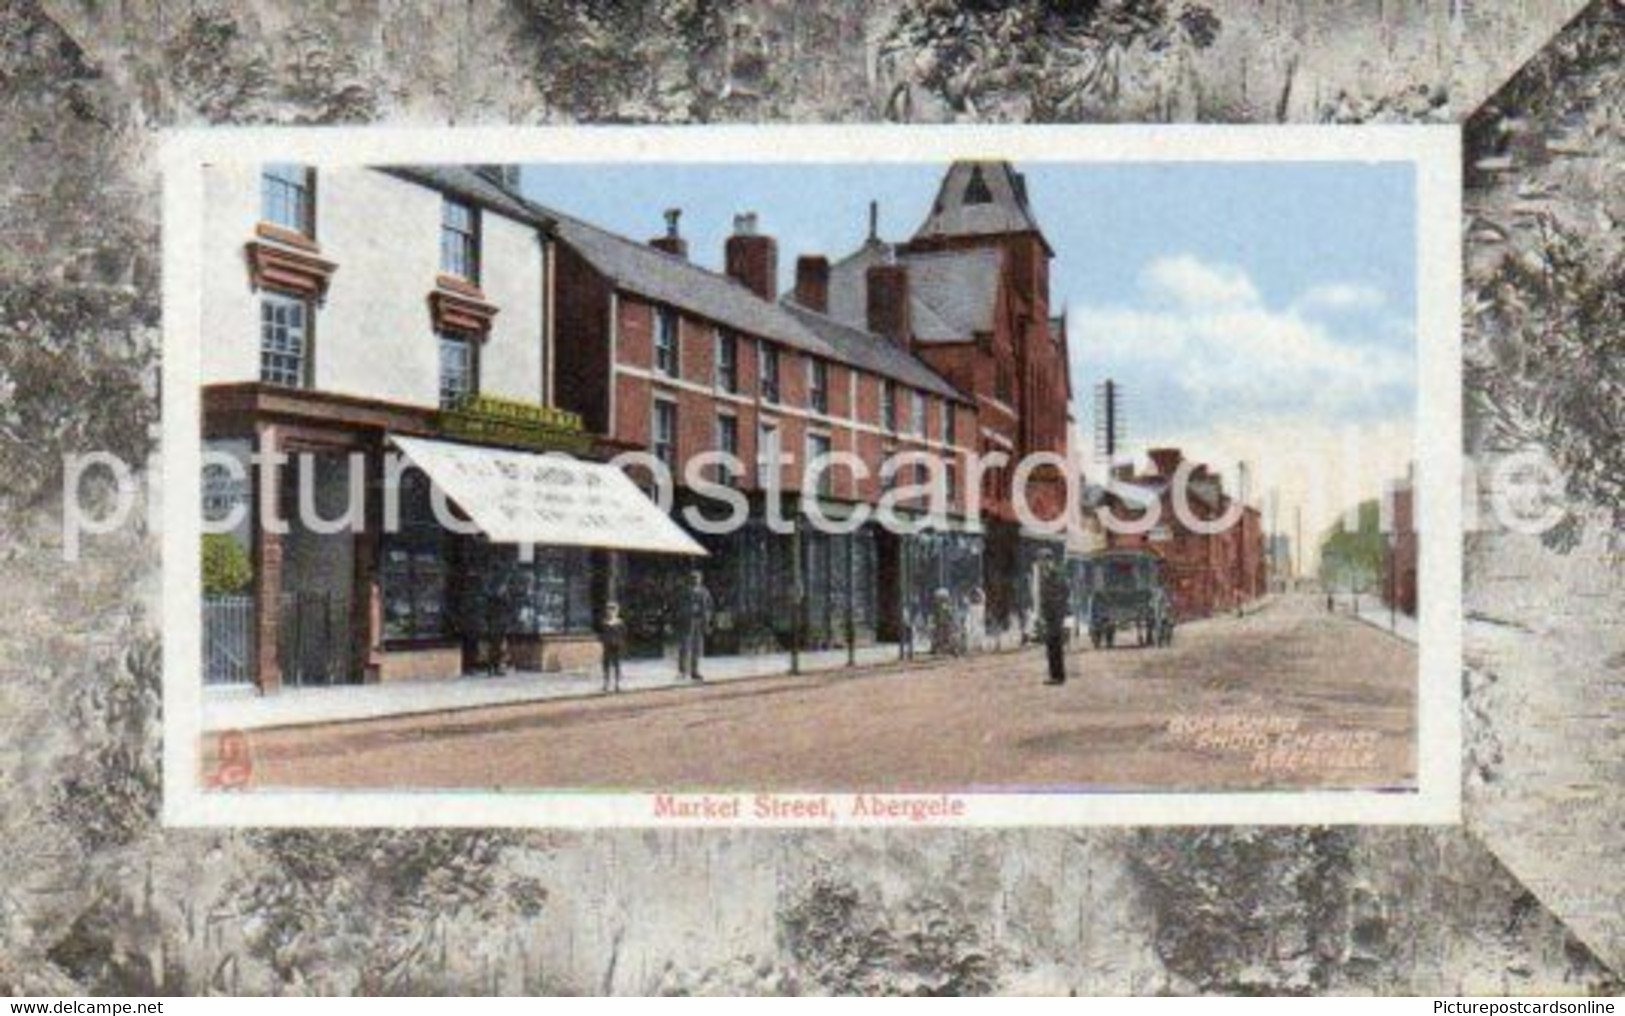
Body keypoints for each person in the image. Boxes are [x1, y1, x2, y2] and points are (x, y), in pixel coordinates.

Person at [676, 570, 714, 683]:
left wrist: (707, 621)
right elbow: (679, 605)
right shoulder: (684, 591)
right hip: (687, 621)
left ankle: (695, 671)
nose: (695, 580)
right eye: (693, 578)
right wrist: (686, 611)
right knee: (685, 647)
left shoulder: (705, 592)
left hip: (699, 621)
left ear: (701, 579)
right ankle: (683, 671)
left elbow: (709, 606)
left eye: (697, 578)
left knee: (697, 648)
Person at [1039, 550, 1070, 685]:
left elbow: (1065, 591)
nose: (1041, 562)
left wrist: (1057, 605)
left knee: (1055, 646)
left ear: (1049, 560)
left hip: (1055, 614)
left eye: (1043, 560)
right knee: (1051, 646)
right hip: (1050, 615)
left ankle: (1057, 676)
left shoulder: (1056, 574)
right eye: (1040, 560)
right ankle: (1055, 675)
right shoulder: (1045, 574)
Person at [599, 601, 626, 693]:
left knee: (617, 665)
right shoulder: (604, 622)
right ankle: (606, 683)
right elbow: (601, 634)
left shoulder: (620, 623)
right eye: (609, 609)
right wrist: (604, 641)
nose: (611, 611)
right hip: (607, 646)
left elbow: (623, 634)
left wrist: (620, 643)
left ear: (617, 611)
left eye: (613, 609)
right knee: (606, 665)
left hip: (617, 646)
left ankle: (617, 684)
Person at [964, 586, 987, 655]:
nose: (975, 597)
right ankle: (970, 648)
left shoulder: (981, 606)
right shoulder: (970, 605)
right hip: (972, 623)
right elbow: (966, 602)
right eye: (974, 595)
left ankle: (980, 647)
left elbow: (983, 598)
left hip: (979, 622)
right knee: (970, 633)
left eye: (977, 595)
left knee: (980, 632)